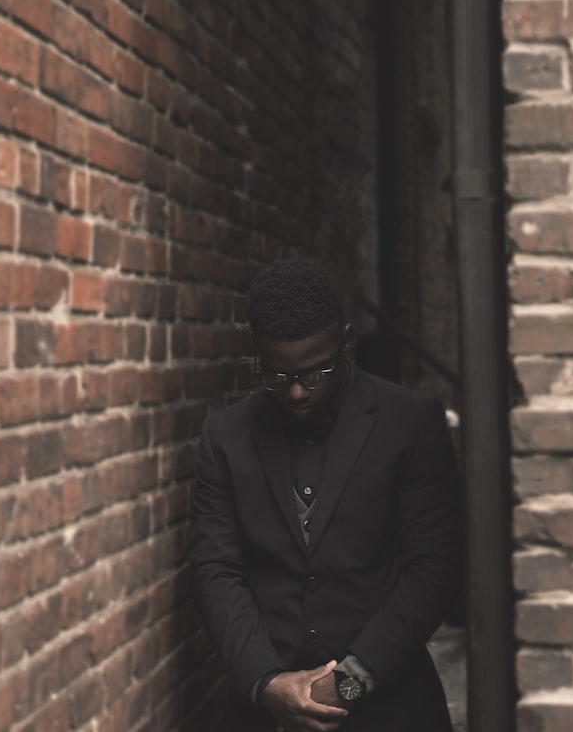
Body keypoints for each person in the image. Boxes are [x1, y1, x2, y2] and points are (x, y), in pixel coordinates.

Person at [188, 259, 462, 732]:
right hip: (264, 712)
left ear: (346, 338)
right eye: (276, 375)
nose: (295, 392)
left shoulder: (411, 422)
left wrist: (348, 683)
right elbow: (216, 570)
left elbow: (435, 567)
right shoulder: (223, 436)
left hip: (392, 705)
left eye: (316, 373)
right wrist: (268, 683)